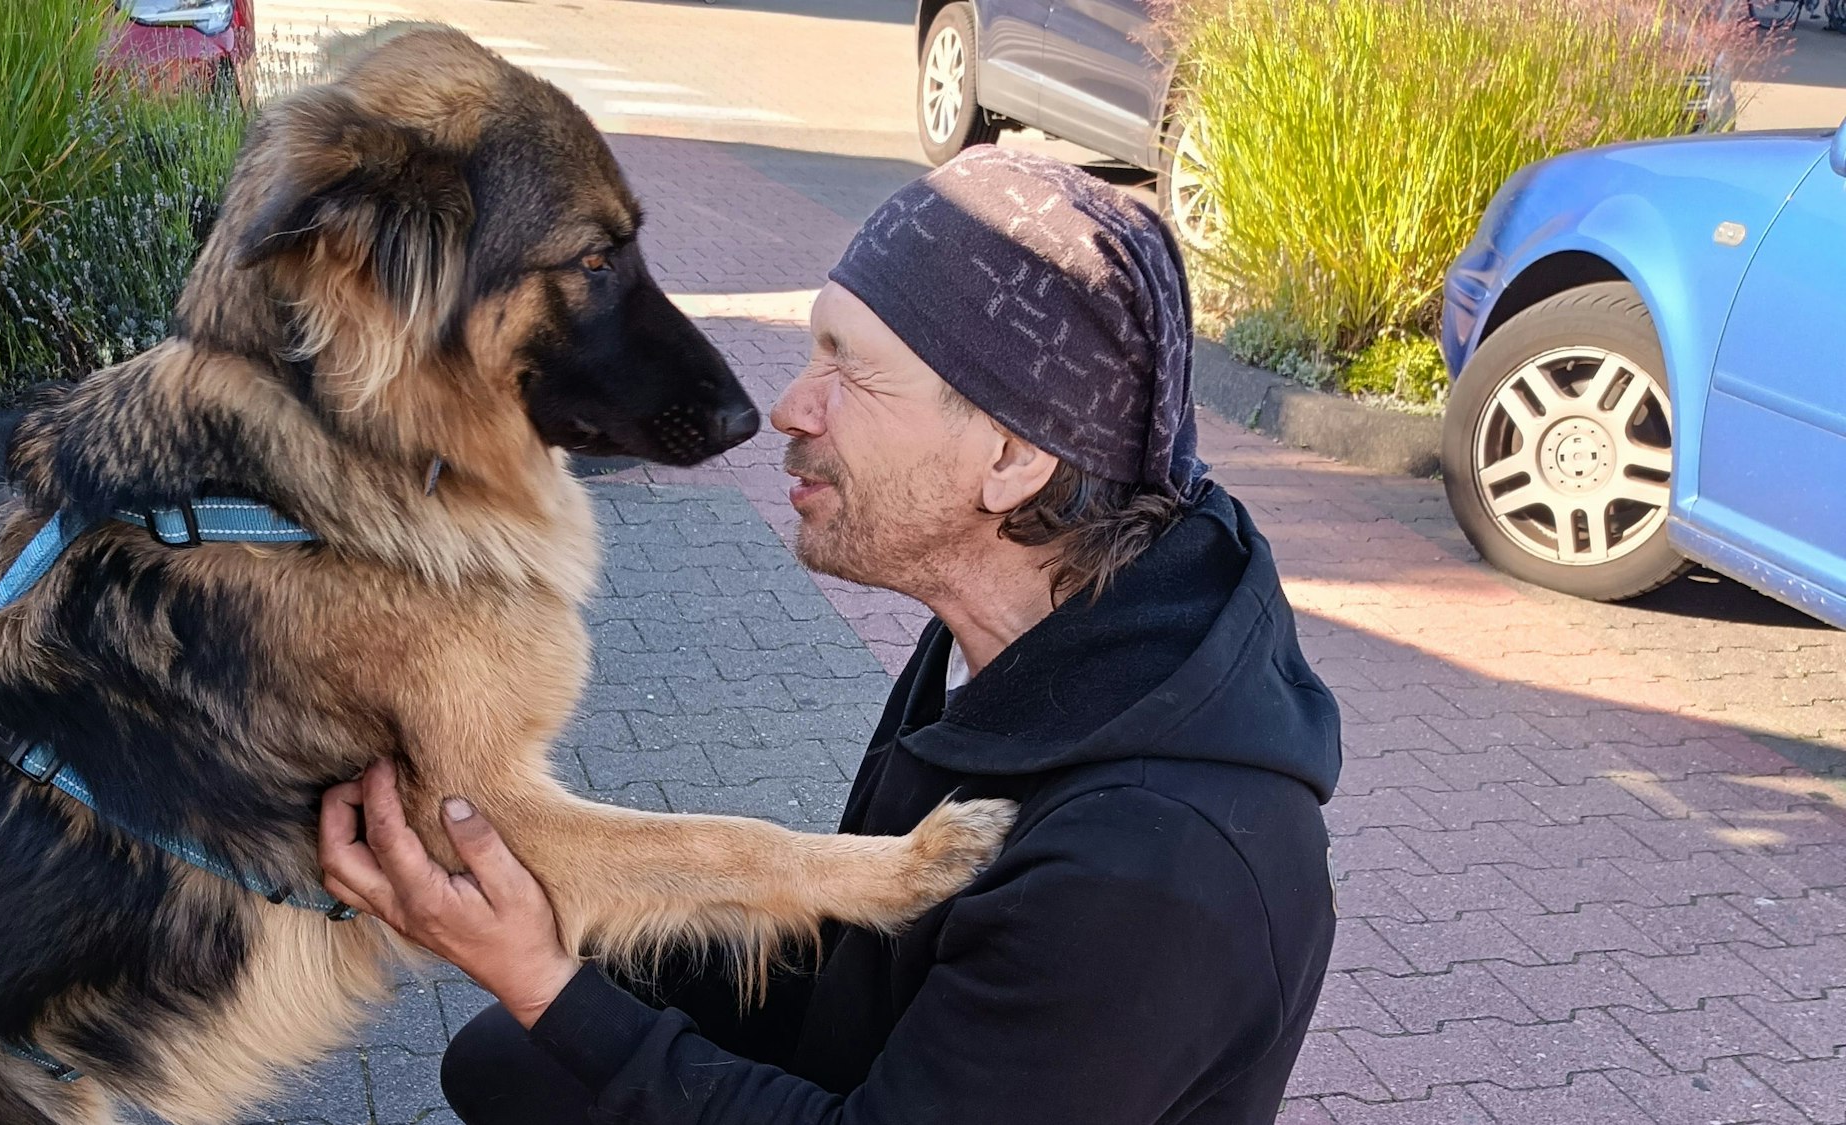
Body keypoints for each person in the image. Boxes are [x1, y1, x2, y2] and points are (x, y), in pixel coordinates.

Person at [318, 145, 1342, 1125]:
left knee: (542, 1030)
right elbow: (849, 954)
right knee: (502, 1062)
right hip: (877, 1058)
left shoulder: (1147, 879)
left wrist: (541, 978)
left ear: (1011, 459)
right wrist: (551, 902)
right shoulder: (1023, 639)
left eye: (848, 371)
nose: (787, 409)